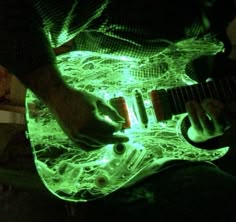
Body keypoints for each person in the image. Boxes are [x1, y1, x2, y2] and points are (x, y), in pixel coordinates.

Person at [0, 0, 236, 221]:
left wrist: (198, 132)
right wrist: (60, 97)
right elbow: (10, 15)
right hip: (104, 165)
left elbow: (190, 95)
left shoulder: (219, 13)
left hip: (159, 157)